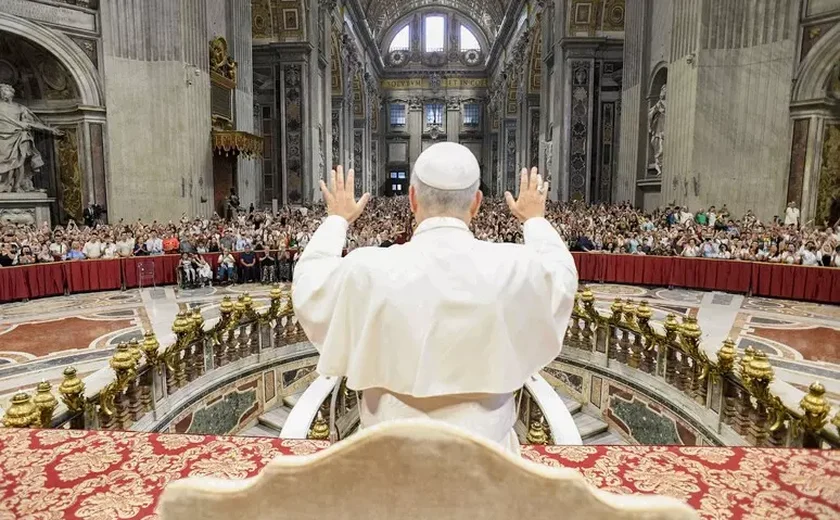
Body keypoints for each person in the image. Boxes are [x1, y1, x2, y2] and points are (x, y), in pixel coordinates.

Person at [293, 143, 579, 454]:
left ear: (412, 200)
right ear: (477, 203)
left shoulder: (366, 268)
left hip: (385, 459)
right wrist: (534, 220)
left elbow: (311, 285)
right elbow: (563, 278)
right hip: (490, 464)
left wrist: (337, 219)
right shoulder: (516, 266)